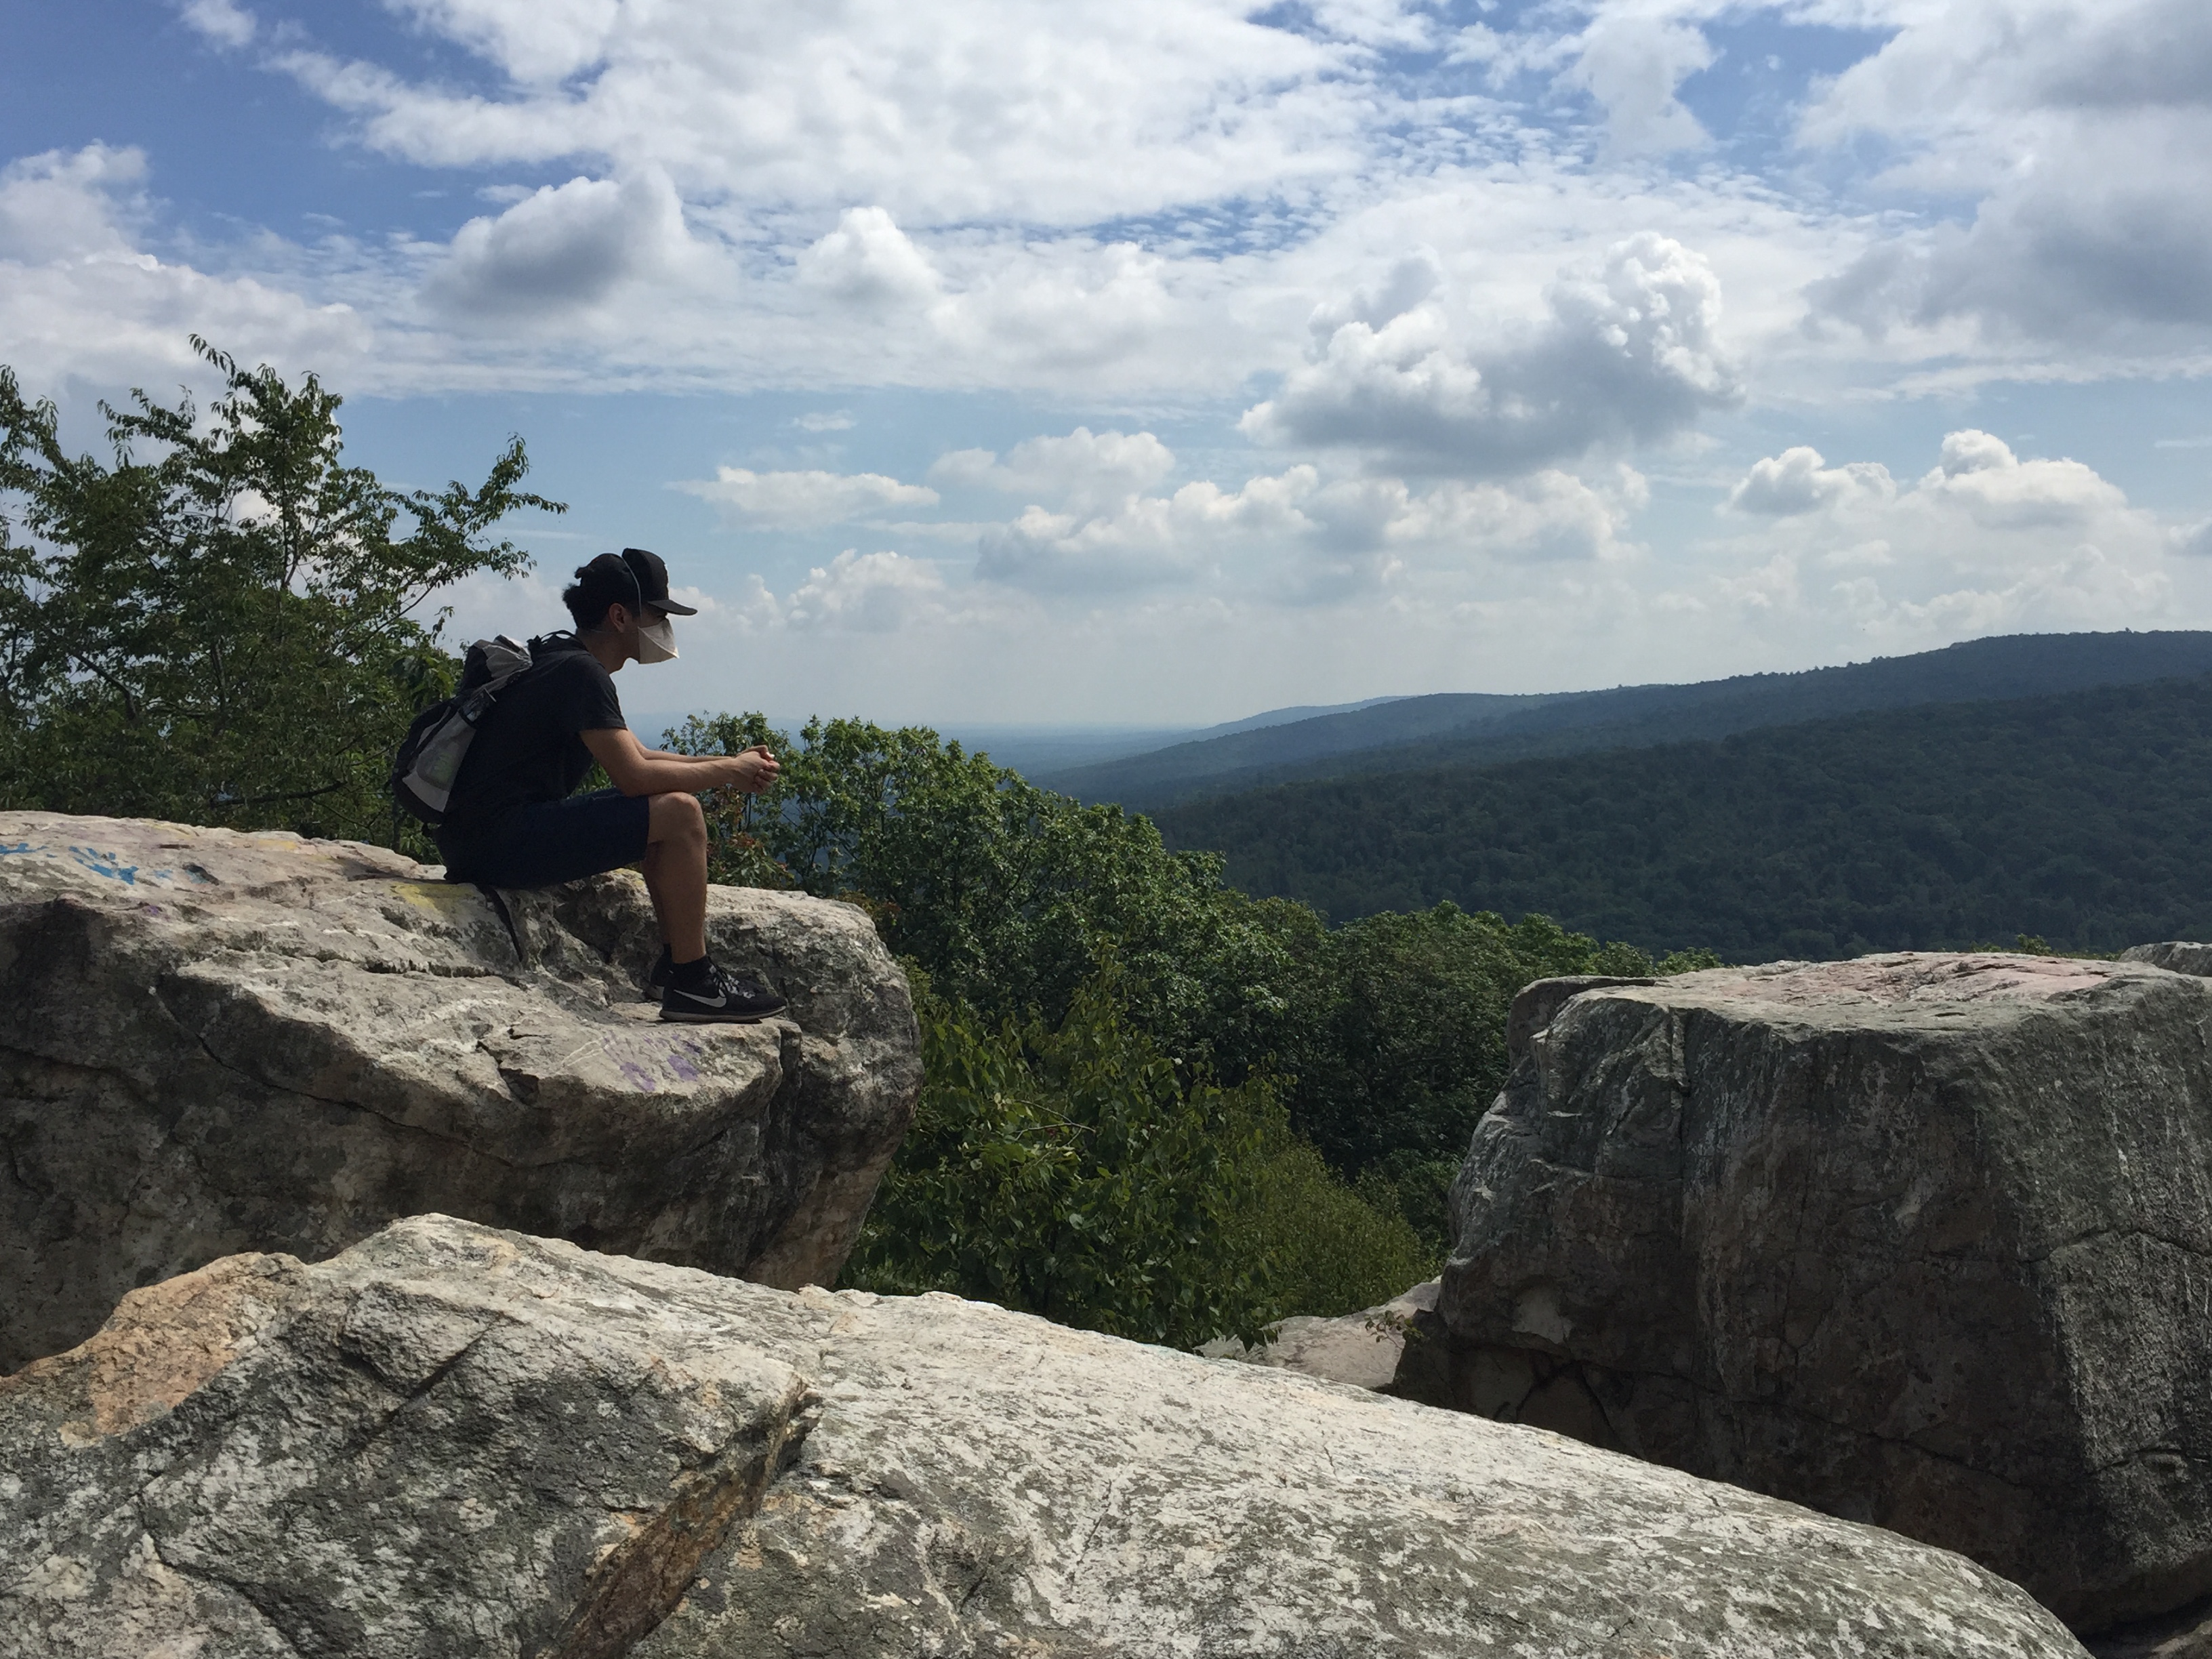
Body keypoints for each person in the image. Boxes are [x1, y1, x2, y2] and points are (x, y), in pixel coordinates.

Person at [435, 547, 786, 1023]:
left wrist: (730, 761)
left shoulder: (559, 656)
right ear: (620, 616)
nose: (663, 627)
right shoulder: (582, 673)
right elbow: (635, 776)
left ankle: (676, 968)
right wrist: (730, 772)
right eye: (657, 614)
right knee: (680, 813)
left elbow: (638, 754)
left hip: (479, 839)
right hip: (497, 844)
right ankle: (694, 981)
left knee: (669, 804)